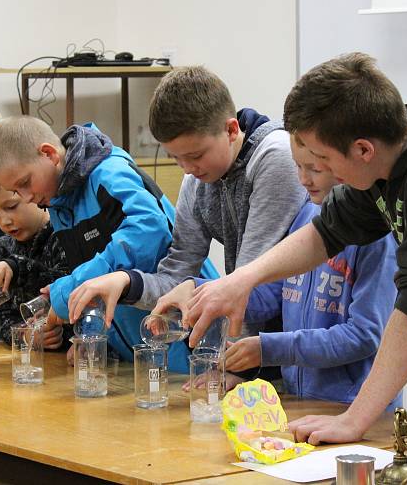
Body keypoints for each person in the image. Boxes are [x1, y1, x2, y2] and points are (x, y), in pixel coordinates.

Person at [178, 52, 407, 444]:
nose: (322, 172)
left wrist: (354, 420)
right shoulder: (389, 171)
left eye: (322, 158)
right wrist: (243, 280)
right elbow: (324, 234)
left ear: (363, 150)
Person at [64, 67, 306, 376]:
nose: (187, 169)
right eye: (176, 158)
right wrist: (126, 282)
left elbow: (247, 283)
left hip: (291, 352)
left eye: (195, 155)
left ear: (231, 130)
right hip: (255, 354)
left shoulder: (276, 159)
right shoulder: (197, 179)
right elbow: (177, 273)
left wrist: (235, 370)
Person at [0, 116, 214, 372]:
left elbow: (149, 231)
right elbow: (94, 281)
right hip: (143, 348)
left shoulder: (109, 172)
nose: (26, 197)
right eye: (16, 191)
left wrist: (73, 285)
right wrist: (91, 337)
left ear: (49, 154)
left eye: (25, 183)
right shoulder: (60, 203)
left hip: (189, 337)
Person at [218, 137, 399, 407]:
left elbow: (364, 335)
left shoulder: (377, 236)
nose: (303, 179)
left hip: (356, 407)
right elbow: (275, 294)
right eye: (297, 167)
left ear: (340, 164)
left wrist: (270, 349)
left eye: (314, 169)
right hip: (301, 400)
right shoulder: (305, 215)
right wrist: (207, 294)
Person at [0, 172, 69, 349]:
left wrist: (18, 268)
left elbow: (67, 284)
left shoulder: (64, 235)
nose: (5, 221)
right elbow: (0, 315)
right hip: (33, 364)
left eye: (11, 207)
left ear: (33, 193)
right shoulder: (2, 250)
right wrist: (25, 336)